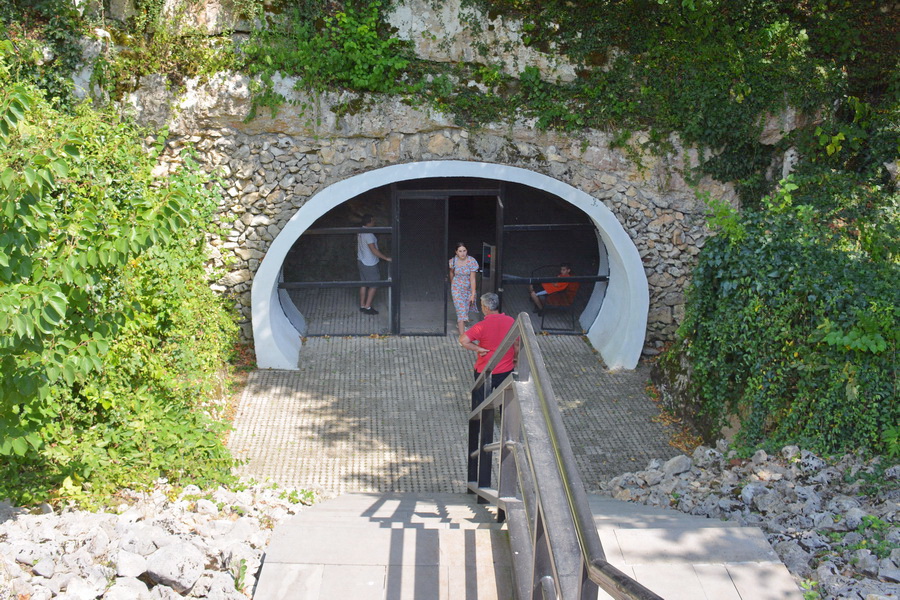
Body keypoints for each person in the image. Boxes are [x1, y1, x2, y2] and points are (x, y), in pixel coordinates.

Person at [459, 293, 517, 410]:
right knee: (505, 403)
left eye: (481, 306)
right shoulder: (511, 321)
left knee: (481, 404)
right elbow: (517, 343)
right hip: (506, 370)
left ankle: (479, 425)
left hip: (485, 371)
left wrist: (478, 349)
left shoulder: (482, 325)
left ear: (486, 308)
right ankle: (505, 426)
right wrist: (515, 359)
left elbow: (463, 340)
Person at [357, 214, 391, 315]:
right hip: (369, 263)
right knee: (374, 285)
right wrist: (386, 258)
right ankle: (368, 307)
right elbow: (373, 250)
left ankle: (362, 305)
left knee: (363, 284)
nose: (374, 222)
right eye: (373, 220)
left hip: (361, 260)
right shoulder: (369, 235)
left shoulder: (360, 231)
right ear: (369, 222)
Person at [449, 242, 479, 335]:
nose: (462, 253)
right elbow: (451, 273)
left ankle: (461, 324)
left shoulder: (471, 261)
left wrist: (473, 293)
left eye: (464, 250)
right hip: (457, 288)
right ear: (456, 252)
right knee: (461, 312)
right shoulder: (453, 261)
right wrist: (452, 284)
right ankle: (463, 337)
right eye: (460, 251)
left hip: (468, 289)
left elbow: (473, 278)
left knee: (465, 309)